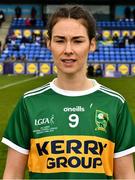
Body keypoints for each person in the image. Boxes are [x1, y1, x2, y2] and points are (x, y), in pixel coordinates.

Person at [1, 5, 135, 179]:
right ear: (48, 43)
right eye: (60, 40)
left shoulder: (115, 104)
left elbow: (126, 176)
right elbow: (12, 174)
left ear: (92, 44)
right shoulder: (29, 103)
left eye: (78, 41)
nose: (68, 50)